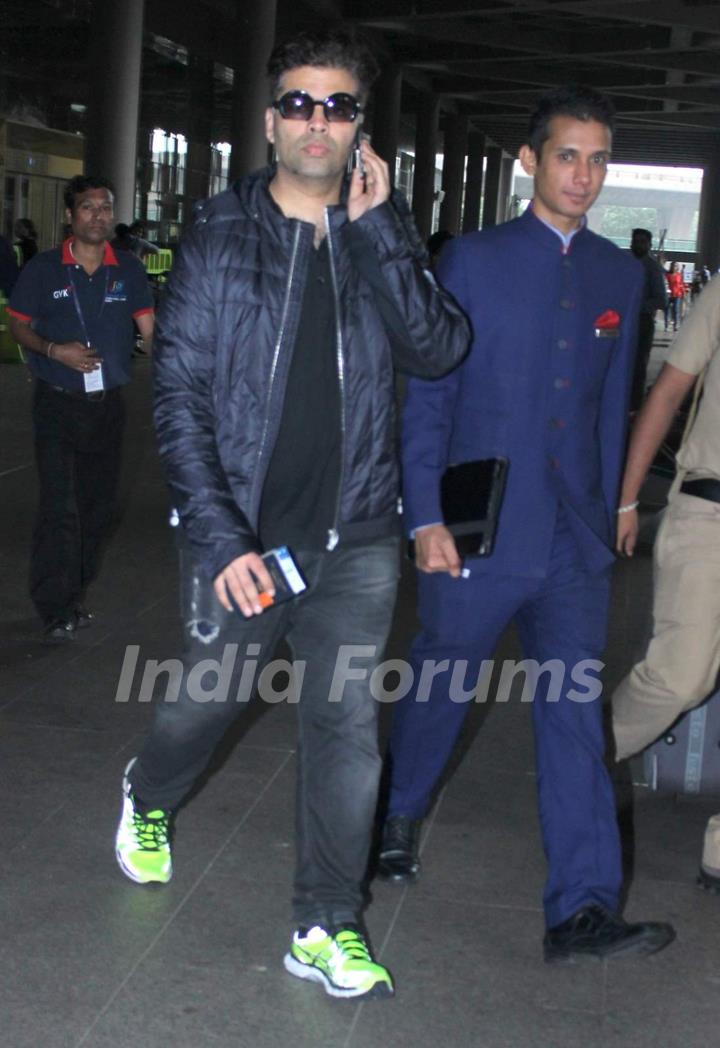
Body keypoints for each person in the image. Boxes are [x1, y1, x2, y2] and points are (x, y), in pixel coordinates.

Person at [113, 27, 468, 1002]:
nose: (318, 120)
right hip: (247, 535)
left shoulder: (376, 234)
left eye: (339, 105)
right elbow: (179, 393)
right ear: (272, 121)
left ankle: (325, 922)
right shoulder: (221, 235)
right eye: (301, 103)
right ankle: (148, 794)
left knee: (348, 731)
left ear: (360, 129)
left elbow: (439, 348)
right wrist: (222, 533)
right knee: (206, 701)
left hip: (356, 538)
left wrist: (382, 229)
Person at [378, 84, 675, 962]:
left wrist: (617, 507)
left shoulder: (623, 276)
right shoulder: (469, 259)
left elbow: (612, 407)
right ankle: (395, 817)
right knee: (442, 680)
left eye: (597, 158)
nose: (583, 175)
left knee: (575, 716)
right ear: (530, 161)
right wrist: (425, 515)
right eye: (567, 155)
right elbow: (429, 395)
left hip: (574, 540)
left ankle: (581, 909)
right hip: (480, 528)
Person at [7, 176, 155, 641]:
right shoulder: (45, 269)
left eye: (105, 207)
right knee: (59, 507)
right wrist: (55, 351)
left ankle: (73, 594)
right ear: (71, 217)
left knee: (98, 509)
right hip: (57, 403)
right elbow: (18, 326)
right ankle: (55, 604)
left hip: (107, 406)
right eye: (88, 207)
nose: (98, 215)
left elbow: (150, 330)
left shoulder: (127, 269)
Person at [612, 275, 720, 892]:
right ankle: (586, 760)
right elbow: (670, 390)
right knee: (682, 675)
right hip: (707, 510)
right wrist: (628, 498)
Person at [629, 228, 667, 412]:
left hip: (642, 321)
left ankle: (635, 407)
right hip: (624, 321)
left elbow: (661, 299)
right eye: (636, 241)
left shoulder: (652, 268)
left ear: (649, 245)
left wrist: (639, 306)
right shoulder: (626, 264)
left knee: (638, 366)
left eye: (642, 241)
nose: (638, 244)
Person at [665, 261, 684, 332]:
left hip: (677, 294)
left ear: (677, 267)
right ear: (671, 266)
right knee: (666, 310)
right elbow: (665, 284)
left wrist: (682, 291)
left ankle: (675, 325)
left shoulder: (679, 275)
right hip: (668, 295)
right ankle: (666, 325)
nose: (674, 267)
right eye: (673, 265)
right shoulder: (667, 275)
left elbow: (681, 284)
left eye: (675, 266)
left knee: (675, 310)